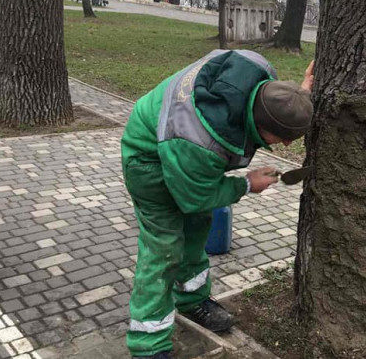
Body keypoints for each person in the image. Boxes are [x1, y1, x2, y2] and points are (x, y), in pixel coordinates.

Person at [120, 49, 314, 358]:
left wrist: (300, 96)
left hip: (184, 153)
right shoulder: (199, 139)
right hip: (149, 160)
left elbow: (278, 102)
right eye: (284, 138)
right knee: (164, 247)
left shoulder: (259, 73)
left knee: (198, 228)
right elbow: (196, 196)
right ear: (263, 126)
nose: (288, 145)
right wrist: (247, 184)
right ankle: (149, 345)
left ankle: (192, 300)